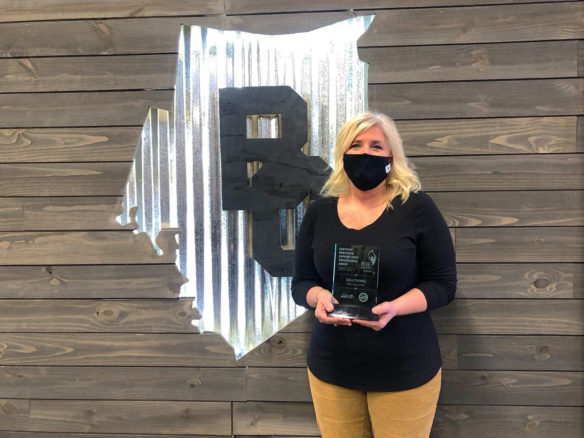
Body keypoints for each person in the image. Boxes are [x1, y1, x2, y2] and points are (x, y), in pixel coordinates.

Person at [291, 112, 456, 438]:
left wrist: (396, 307)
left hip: (404, 369)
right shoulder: (319, 211)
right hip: (332, 369)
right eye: (356, 144)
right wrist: (318, 298)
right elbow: (301, 282)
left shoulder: (418, 208)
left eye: (376, 146)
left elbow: (443, 284)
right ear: (343, 154)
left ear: (391, 157)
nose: (365, 153)